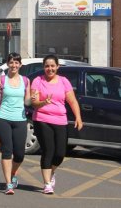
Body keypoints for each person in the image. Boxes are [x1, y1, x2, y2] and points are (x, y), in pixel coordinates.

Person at [30, 54, 83, 194]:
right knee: (48, 150)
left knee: (60, 153)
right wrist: (43, 102)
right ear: (43, 67)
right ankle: (47, 183)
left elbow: (72, 101)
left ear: (57, 67)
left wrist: (78, 117)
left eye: (52, 66)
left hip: (60, 120)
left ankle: (51, 172)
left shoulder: (64, 81)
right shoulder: (37, 81)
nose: (50, 68)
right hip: (42, 119)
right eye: (47, 66)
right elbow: (34, 104)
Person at [0, 53, 31, 195]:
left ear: (20, 65)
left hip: (20, 119)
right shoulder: (2, 79)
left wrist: (33, 98)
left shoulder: (26, 80)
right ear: (8, 64)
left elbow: (27, 102)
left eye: (16, 63)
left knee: (19, 154)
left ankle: (13, 173)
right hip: (3, 118)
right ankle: (8, 183)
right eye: (11, 62)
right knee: (7, 150)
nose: (14, 65)